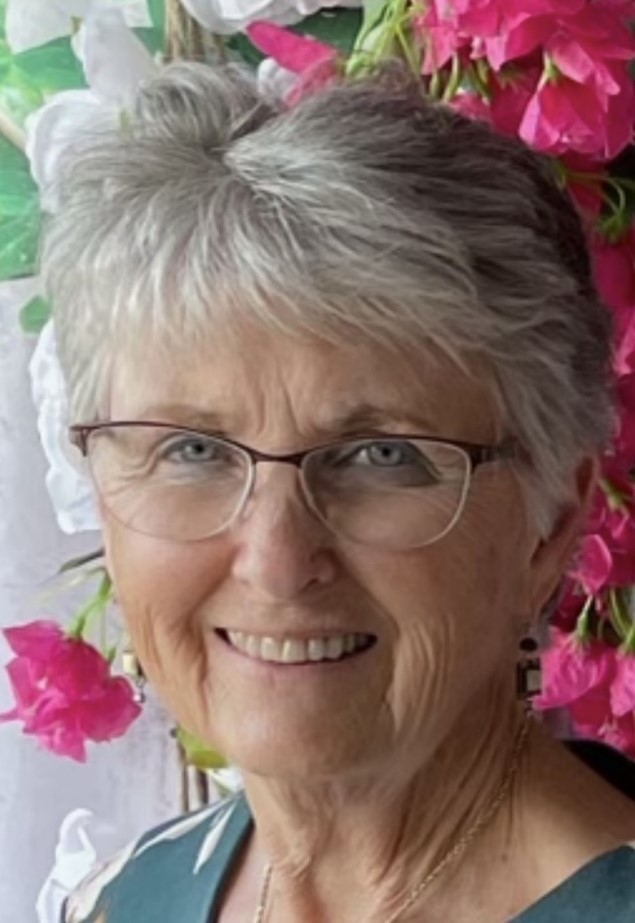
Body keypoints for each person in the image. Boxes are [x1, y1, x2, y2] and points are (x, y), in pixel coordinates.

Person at [47, 63, 635, 923]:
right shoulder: (123, 896)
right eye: (193, 449)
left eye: (379, 455)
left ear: (548, 526)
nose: (276, 561)